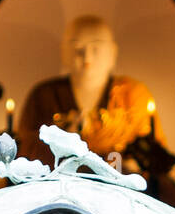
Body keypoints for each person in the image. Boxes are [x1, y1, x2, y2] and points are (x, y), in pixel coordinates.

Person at [16, 14, 164, 168]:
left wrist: (133, 163)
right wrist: (64, 137)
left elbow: (152, 151)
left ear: (112, 53)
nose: (87, 57)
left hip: (117, 185)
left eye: (96, 48)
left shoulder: (132, 94)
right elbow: (25, 151)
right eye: (78, 48)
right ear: (64, 52)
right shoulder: (43, 95)